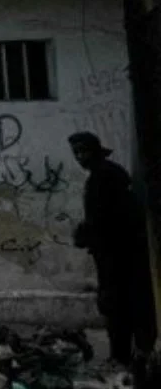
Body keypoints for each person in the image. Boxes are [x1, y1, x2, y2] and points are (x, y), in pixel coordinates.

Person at [70, 132, 158, 366]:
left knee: (117, 307)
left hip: (117, 255)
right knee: (123, 306)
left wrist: (85, 233)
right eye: (76, 153)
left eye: (83, 151)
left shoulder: (104, 178)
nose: (79, 157)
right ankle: (130, 355)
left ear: (95, 150)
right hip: (116, 253)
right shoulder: (107, 175)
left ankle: (122, 357)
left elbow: (106, 219)